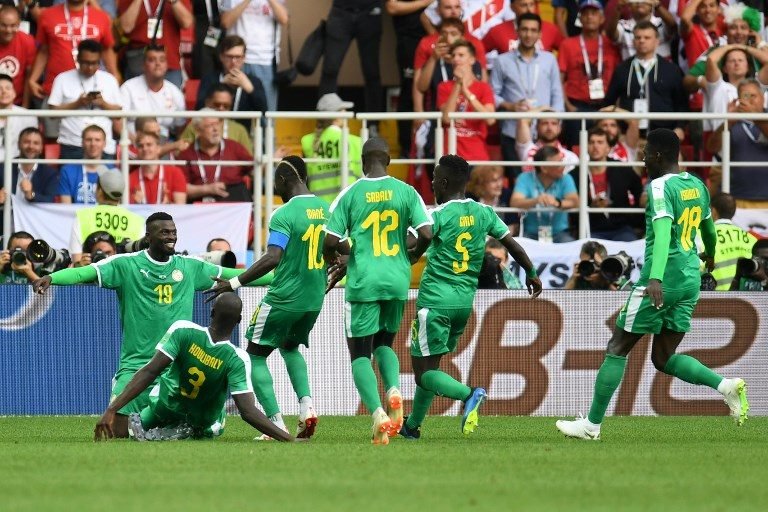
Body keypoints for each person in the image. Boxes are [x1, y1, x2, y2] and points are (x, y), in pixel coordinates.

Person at [556, 128, 749, 440]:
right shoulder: (696, 185)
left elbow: (661, 235)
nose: (642, 159)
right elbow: (709, 229)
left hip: (664, 277)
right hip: (690, 278)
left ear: (658, 156)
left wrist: (656, 278)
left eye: (645, 153)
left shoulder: (659, 188)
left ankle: (591, 426)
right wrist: (710, 257)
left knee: (617, 347)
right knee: (663, 357)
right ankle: (724, 386)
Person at [33, 212, 268, 438]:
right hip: (136, 364)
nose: (171, 236)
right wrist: (53, 278)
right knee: (117, 432)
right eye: (164, 232)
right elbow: (85, 273)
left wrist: (283, 277)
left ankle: (200, 424)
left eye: (173, 232)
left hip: (176, 369)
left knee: (189, 428)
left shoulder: (190, 267)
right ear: (149, 236)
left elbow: (240, 275)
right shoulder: (126, 264)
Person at [399, 154, 541, 440]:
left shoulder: (436, 216)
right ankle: (412, 426)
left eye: (435, 180)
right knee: (432, 365)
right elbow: (511, 245)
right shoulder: (483, 212)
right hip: (463, 305)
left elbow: (413, 243)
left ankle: (469, 394)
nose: (433, 186)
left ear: (443, 182)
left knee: (422, 372)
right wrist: (531, 272)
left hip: (435, 301)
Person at [205, 156, 328, 440]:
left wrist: (234, 282)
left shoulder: (282, 214)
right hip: (314, 298)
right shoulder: (326, 210)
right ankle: (307, 406)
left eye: (276, 180)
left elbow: (274, 256)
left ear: (284, 180)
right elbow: (339, 248)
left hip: (284, 296)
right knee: (290, 347)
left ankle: (275, 425)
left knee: (254, 357)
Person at [323, 137, 433, 445]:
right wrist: (411, 256)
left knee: (360, 353)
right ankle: (394, 391)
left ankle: (378, 415)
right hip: (397, 278)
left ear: (362, 161)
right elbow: (426, 232)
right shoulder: (407, 191)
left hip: (364, 281)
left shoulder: (351, 193)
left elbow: (330, 240)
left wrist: (335, 257)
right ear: (388, 160)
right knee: (385, 342)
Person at [94, 293, 295, 442]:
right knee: (212, 428)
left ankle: (162, 432)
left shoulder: (183, 330)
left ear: (212, 311)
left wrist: (112, 408)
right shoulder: (237, 358)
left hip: (162, 406)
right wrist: (288, 438)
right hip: (202, 420)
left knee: (131, 435)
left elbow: (149, 371)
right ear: (239, 320)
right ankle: (178, 433)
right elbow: (248, 411)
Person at [491, 12, 564, 176]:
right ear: (517, 31)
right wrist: (510, 105)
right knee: (516, 179)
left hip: (544, 132)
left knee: (544, 176)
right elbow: (492, 95)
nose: (528, 34)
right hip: (512, 129)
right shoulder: (502, 61)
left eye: (533, 30)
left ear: (540, 34)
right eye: (524, 29)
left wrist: (556, 123)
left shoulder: (549, 59)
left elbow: (557, 94)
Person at [603, 21, 687, 138]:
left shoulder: (671, 70)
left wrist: (680, 128)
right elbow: (609, 102)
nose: (642, 41)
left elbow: (682, 104)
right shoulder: (622, 69)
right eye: (638, 37)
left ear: (657, 41)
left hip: (664, 136)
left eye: (647, 37)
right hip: (629, 136)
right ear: (633, 41)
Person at [28, 0, 117, 106]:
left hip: (92, 90)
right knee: (51, 120)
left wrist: (115, 74)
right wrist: (33, 79)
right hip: (55, 89)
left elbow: (107, 50)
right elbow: (43, 51)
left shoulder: (102, 17)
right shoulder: (47, 15)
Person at [558, 1, 621, 148]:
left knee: (607, 149)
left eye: (594, 13)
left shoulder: (612, 44)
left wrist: (615, 107)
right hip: (577, 106)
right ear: (580, 19)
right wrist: (569, 107)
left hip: (606, 106)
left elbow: (619, 79)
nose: (589, 17)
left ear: (602, 18)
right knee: (578, 149)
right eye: (585, 14)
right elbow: (559, 79)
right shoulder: (568, 44)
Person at [47, 39, 123, 160]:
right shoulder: (62, 78)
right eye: (86, 63)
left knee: (105, 179)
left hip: (103, 146)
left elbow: (119, 113)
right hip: (72, 144)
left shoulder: (109, 80)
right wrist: (78, 103)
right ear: (78, 59)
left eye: (95, 63)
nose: (90, 67)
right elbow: (52, 113)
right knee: (71, 179)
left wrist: (103, 104)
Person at [569, 126, 643, 241]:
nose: (595, 146)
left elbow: (639, 192)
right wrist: (591, 206)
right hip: (590, 228)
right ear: (586, 147)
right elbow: (572, 208)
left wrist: (631, 218)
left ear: (608, 148)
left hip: (621, 228)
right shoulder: (576, 173)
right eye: (591, 142)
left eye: (600, 142)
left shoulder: (622, 168)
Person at [706, 78, 768, 208]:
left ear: (762, 99)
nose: (749, 100)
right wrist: (728, 121)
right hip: (737, 199)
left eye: (753, 96)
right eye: (745, 96)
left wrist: (756, 117)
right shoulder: (732, 120)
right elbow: (712, 147)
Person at [219, 0, 287, 112]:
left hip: (265, 59)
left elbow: (284, 19)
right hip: (236, 58)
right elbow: (225, 22)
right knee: (232, 107)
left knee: (266, 112)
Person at [319, 0, 384, 116]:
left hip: (370, 12)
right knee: (330, 69)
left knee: (371, 71)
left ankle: (373, 124)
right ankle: (326, 120)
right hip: (341, 11)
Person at [68, 169, 145, 265]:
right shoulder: (136, 221)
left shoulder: (82, 217)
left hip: (91, 276)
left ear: (100, 191)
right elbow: (141, 260)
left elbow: (77, 262)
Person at [177, 109, 254, 203]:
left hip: (232, 205)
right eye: (210, 125)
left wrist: (272, 158)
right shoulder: (186, 154)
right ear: (198, 130)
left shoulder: (234, 147)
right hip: (200, 208)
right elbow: (181, 188)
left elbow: (254, 171)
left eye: (217, 124)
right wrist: (207, 189)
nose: (215, 129)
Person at [437, 40, 495, 162]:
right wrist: (458, 84)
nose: (456, 59)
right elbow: (446, 118)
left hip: (477, 156)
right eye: (453, 55)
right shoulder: (444, 86)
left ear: (472, 60)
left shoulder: (484, 88)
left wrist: (467, 92)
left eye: (461, 55)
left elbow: (490, 119)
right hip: (450, 157)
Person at [386, 0, 430, 157]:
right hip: (409, 41)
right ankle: (405, 145)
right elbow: (392, 7)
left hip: (433, 39)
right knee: (409, 89)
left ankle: (427, 144)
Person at [195, 35, 268, 129]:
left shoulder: (253, 81)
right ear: (221, 57)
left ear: (244, 58)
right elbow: (199, 108)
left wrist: (249, 88)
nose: (233, 62)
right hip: (214, 130)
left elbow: (264, 111)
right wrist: (220, 86)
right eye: (229, 57)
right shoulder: (209, 79)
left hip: (241, 134)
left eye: (238, 57)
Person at [300, 93, 362, 203]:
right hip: (346, 207)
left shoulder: (307, 142)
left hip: (318, 209)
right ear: (337, 116)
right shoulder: (355, 141)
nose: (346, 113)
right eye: (343, 110)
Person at [511, 145, 579, 243]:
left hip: (560, 233)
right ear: (544, 168)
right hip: (530, 234)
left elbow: (575, 202)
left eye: (562, 161)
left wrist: (557, 203)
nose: (563, 165)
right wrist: (536, 200)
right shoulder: (524, 178)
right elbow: (515, 202)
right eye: (558, 163)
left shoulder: (566, 178)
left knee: (571, 248)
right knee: (521, 250)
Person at [117, 0, 194, 87]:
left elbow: (187, 23)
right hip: (139, 64)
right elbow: (126, 27)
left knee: (170, 100)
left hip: (169, 65)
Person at [120, 44, 186, 142]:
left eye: (162, 60)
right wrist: (138, 145)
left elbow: (180, 128)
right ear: (143, 65)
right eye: (152, 60)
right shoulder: (128, 88)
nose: (158, 63)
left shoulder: (174, 92)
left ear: (167, 65)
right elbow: (118, 123)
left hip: (163, 144)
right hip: (133, 143)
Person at [707, 192, 757, 290]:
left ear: (713, 211)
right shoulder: (751, 239)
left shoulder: (703, 236)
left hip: (713, 299)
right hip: (743, 301)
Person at [184, 86, 255, 153]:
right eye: (217, 104)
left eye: (226, 106)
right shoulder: (194, 126)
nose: (221, 109)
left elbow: (249, 161)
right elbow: (183, 151)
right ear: (207, 103)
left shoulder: (239, 130)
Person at [482, 0, 564, 57]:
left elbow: (567, 51)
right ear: (512, 7)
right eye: (523, 5)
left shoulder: (550, 29)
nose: (529, 10)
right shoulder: (498, 31)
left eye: (531, 4)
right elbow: (478, 51)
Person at [57, 125, 114, 204]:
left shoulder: (113, 173)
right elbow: (66, 209)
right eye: (88, 140)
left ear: (104, 144)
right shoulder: (67, 171)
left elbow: (112, 209)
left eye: (97, 140)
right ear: (82, 143)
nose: (93, 144)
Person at [128, 131, 188, 205]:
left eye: (149, 145)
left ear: (158, 148)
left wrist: (168, 206)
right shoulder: (130, 178)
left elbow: (181, 208)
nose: (145, 148)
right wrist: (135, 204)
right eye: (141, 146)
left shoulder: (175, 173)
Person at [605, 0, 676, 60]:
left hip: (662, 73)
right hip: (632, 72)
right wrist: (618, 8)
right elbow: (611, 34)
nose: (640, 2)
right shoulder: (623, 26)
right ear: (629, 6)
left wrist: (658, 5)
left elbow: (673, 26)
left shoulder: (661, 23)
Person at [515, 107, 578, 173]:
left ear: (559, 128)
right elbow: (523, 120)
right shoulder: (527, 148)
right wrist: (543, 108)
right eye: (545, 123)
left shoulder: (570, 157)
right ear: (537, 127)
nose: (549, 128)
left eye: (554, 124)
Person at [7, 127, 59, 204]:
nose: (31, 146)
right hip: (9, 215)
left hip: (35, 216)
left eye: (36, 143)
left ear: (41, 148)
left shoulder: (50, 173)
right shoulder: (4, 168)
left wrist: (31, 194)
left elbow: (50, 200)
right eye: (27, 142)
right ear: (18, 145)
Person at [0, 5, 35, 106]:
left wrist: (24, 108)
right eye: (3, 25)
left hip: (17, 102)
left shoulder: (27, 41)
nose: (8, 30)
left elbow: (28, 76)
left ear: (19, 24)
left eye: (13, 25)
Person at [466, 165, 517, 230]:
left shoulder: (507, 195)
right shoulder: (469, 198)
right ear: (482, 183)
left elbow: (512, 225)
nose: (499, 184)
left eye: (500, 179)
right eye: (494, 181)